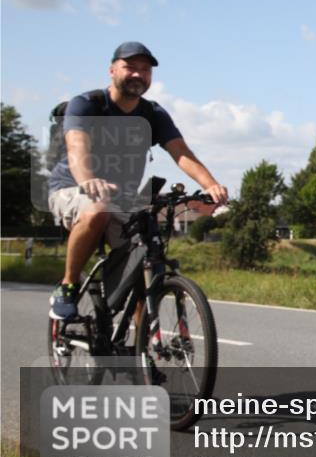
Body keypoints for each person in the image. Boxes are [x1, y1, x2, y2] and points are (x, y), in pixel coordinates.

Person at [48, 42, 228, 320]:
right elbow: (76, 147)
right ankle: (68, 285)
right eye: (130, 67)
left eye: (145, 70)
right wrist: (88, 180)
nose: (138, 74)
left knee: (148, 254)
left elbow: (181, 153)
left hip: (122, 197)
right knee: (97, 210)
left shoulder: (152, 113)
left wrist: (210, 184)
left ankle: (145, 339)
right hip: (73, 187)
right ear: (112, 70)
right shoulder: (87, 104)